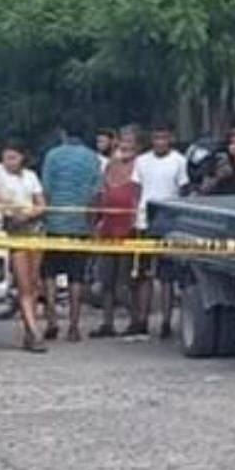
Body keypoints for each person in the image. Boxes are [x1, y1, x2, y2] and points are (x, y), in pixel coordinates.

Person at [0, 138, 46, 352]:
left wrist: (29, 213)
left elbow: (41, 204)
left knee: (34, 284)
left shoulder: (31, 177)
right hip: (12, 230)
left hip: (33, 230)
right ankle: (34, 332)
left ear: (22, 158)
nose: (9, 161)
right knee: (24, 284)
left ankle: (29, 329)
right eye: (6, 157)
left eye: (13, 157)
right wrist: (6, 203)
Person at [41, 112, 103, 342]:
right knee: (76, 277)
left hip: (55, 222)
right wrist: (92, 223)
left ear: (63, 133)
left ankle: (52, 321)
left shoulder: (52, 156)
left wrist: (45, 217)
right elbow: (96, 194)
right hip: (80, 224)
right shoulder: (92, 159)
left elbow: (45, 190)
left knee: (49, 273)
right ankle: (74, 326)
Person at [135, 122, 190, 338]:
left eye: (164, 138)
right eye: (156, 138)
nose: (160, 142)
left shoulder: (179, 161)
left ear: (171, 138)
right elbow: (137, 190)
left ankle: (167, 322)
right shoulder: (141, 161)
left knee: (167, 276)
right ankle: (142, 319)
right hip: (144, 221)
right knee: (143, 274)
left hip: (170, 222)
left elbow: (184, 190)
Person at [91, 127, 145, 338]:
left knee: (127, 281)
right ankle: (107, 323)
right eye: (123, 140)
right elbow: (100, 194)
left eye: (130, 141)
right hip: (108, 229)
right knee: (106, 279)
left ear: (138, 145)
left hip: (130, 229)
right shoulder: (109, 166)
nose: (125, 145)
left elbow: (139, 197)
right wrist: (96, 221)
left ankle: (136, 321)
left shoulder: (140, 166)